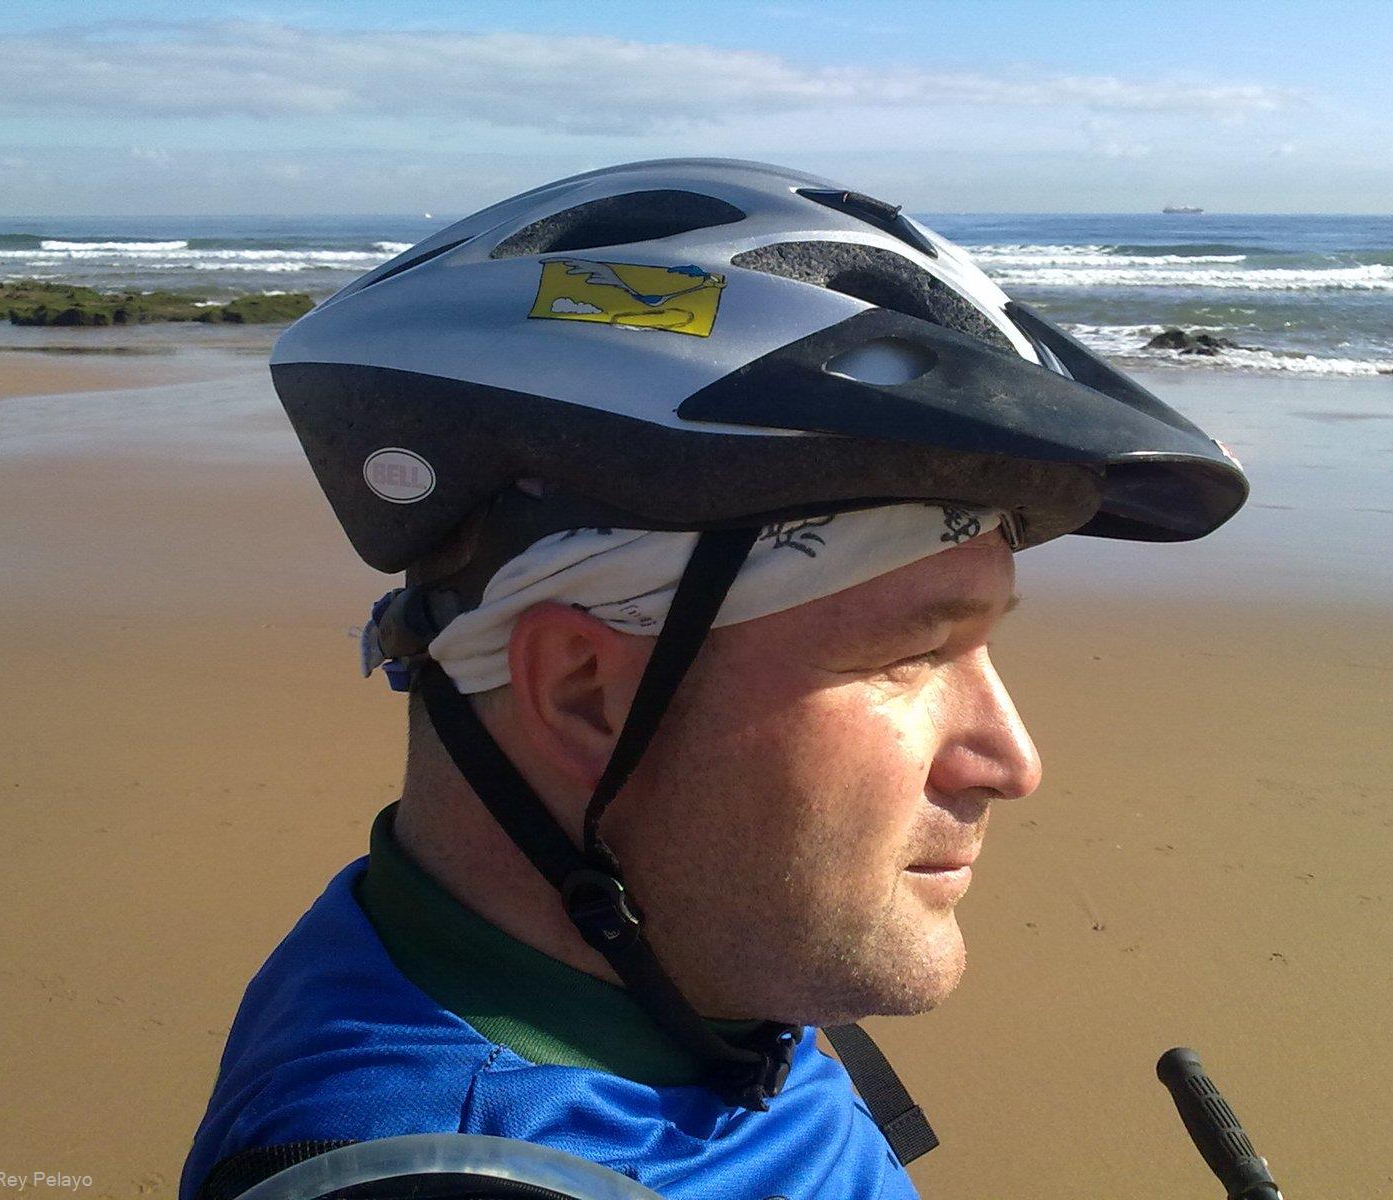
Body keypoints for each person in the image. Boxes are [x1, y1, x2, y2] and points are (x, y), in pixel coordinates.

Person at [179, 159, 1247, 1200]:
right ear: (585, 693)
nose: (1009, 762)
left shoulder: (681, 967)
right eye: (912, 656)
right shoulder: (467, 1168)